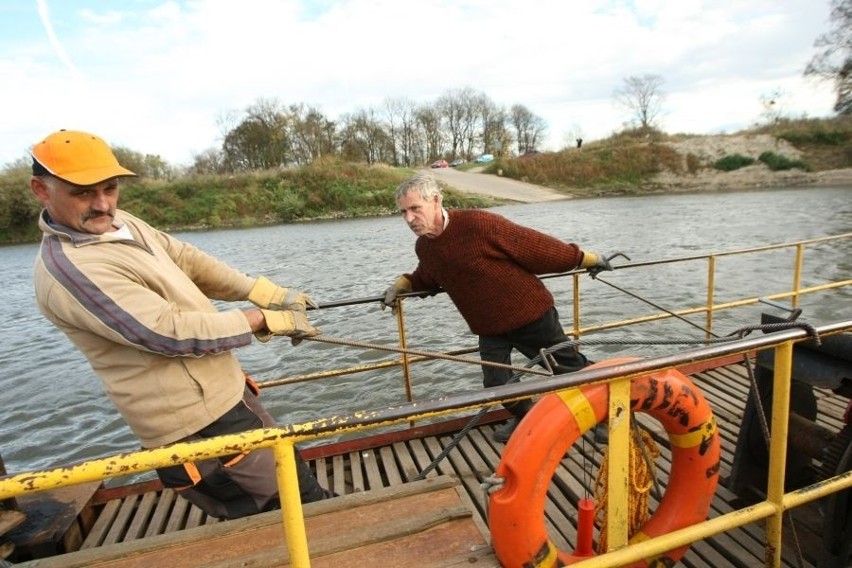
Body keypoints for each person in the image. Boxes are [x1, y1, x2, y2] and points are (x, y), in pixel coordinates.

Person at [29, 129, 333, 520]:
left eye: (110, 188)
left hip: (225, 397)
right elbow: (165, 332)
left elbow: (186, 259)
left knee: (296, 485)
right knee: (283, 512)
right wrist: (262, 320)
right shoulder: (71, 269)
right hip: (198, 425)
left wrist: (264, 292)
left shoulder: (124, 225)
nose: (103, 203)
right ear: (41, 189)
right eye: (83, 192)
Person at [381, 172, 613, 443]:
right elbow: (430, 275)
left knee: (567, 369)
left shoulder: (478, 224)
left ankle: (608, 415)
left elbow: (536, 247)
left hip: (530, 315)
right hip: (490, 328)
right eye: (403, 212)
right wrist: (404, 284)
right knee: (496, 385)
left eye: (415, 209)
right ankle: (526, 419)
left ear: (436, 200)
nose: (409, 219)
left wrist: (586, 258)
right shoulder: (425, 247)